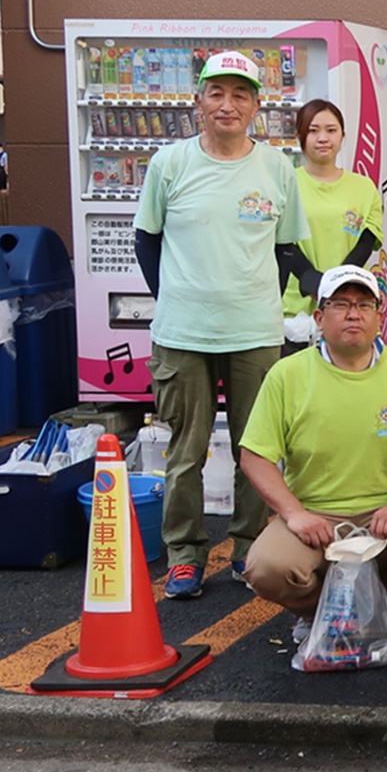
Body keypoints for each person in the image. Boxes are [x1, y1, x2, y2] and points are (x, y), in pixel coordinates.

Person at [133, 50, 311, 598]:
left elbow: (286, 249)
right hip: (182, 333)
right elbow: (146, 240)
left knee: (253, 447)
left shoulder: (279, 167)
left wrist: (253, 296)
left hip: (254, 332)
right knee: (184, 450)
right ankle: (184, 555)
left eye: (240, 95)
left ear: (257, 105)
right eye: (217, 93)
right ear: (199, 102)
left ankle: (246, 546)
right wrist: (178, 298)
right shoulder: (170, 163)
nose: (227, 105)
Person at [238, 266, 387, 627]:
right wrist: (294, 513)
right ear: (319, 317)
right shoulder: (287, 374)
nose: (354, 313)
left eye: (365, 304)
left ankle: (385, 606)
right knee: (268, 568)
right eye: (340, 303)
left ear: (379, 317)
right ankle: (320, 614)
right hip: (315, 513)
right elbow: (255, 456)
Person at [282, 98, 383, 344]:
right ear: (300, 135)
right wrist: (312, 280)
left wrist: (337, 285)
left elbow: (367, 242)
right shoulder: (286, 183)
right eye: (313, 131)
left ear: (342, 135)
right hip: (296, 308)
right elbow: (282, 241)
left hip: (350, 302)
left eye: (331, 130)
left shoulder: (363, 187)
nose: (323, 138)